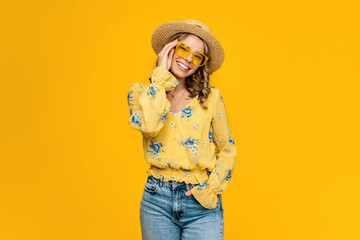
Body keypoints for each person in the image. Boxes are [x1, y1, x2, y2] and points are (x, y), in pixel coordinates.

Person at [127, 19, 237, 240]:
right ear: (170, 48)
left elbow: (227, 150)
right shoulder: (142, 93)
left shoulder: (211, 98)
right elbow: (148, 126)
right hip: (156, 201)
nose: (188, 59)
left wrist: (210, 188)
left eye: (197, 56)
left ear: (201, 64)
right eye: (183, 49)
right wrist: (160, 78)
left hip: (200, 204)